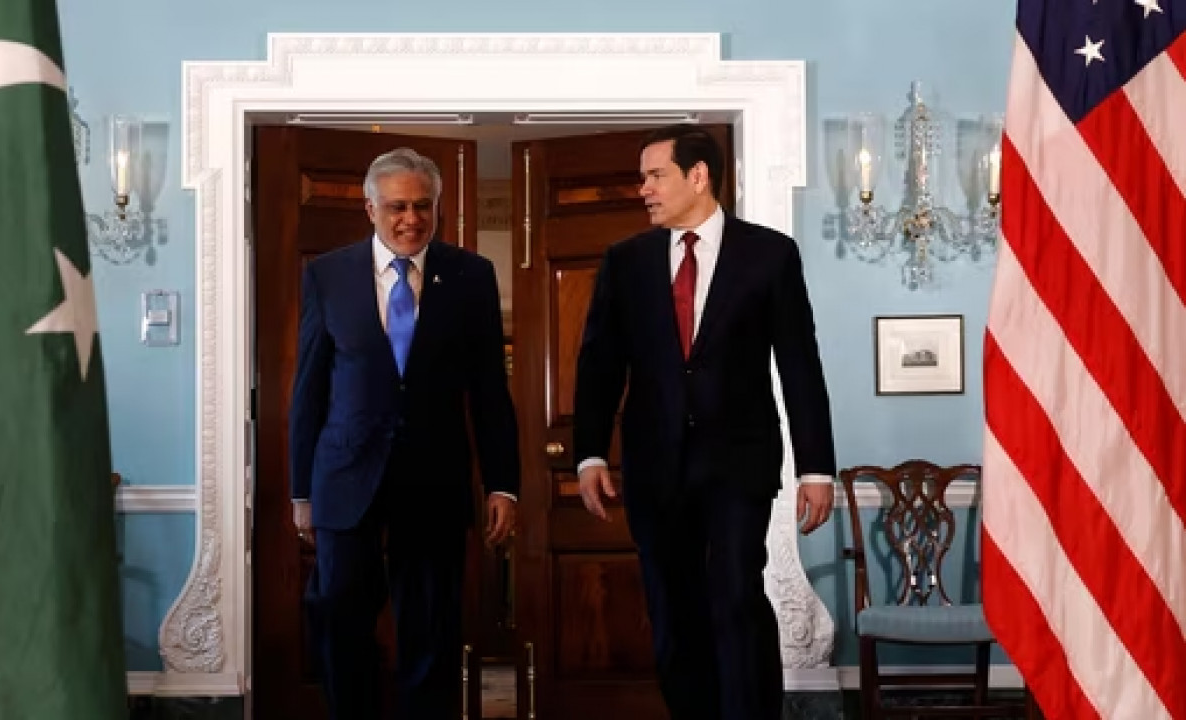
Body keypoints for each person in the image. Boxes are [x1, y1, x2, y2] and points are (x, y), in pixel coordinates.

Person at [573, 124, 837, 718]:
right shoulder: (626, 261)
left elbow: (799, 363)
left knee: (736, 595)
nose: (642, 189)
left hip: (739, 465)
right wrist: (589, 452)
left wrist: (816, 466)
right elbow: (599, 365)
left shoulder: (770, 254)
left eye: (654, 175)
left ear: (698, 176)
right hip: (654, 468)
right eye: (642, 177)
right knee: (673, 607)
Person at [289, 147, 520, 719]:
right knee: (340, 621)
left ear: (437, 206)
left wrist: (502, 483)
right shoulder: (327, 275)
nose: (411, 219)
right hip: (345, 478)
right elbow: (309, 390)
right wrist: (301, 490)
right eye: (397, 207)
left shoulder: (471, 276)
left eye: (423, 206)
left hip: (434, 481)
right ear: (371, 208)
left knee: (432, 630)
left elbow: (490, 390)